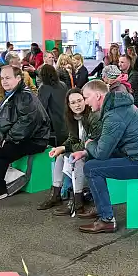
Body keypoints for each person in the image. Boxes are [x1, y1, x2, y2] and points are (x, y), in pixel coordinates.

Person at [77, 80, 138, 233]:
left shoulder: (114, 115)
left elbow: (102, 153)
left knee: (91, 168)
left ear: (97, 95)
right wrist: (87, 150)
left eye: (86, 97)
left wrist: (88, 145)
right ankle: (101, 207)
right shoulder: (118, 108)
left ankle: (106, 219)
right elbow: (106, 143)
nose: (85, 102)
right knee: (92, 160)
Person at [0, 65, 51, 203]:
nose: (4, 81)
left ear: (18, 78)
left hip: (35, 139)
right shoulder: (11, 94)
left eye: (8, 78)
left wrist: (9, 137)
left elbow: (27, 121)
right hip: (22, 136)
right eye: (2, 78)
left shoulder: (24, 96)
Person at [49, 89, 101, 217]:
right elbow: (73, 139)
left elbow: (90, 142)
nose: (77, 105)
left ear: (85, 100)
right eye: (73, 102)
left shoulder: (92, 116)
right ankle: (56, 195)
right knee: (60, 156)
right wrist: (61, 147)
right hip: (84, 148)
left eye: (79, 101)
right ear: (69, 105)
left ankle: (77, 202)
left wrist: (65, 148)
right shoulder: (72, 118)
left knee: (77, 159)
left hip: (95, 149)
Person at [36, 64, 69, 209]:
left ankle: (57, 190)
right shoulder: (62, 85)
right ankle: (65, 189)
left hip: (54, 128)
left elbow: (41, 108)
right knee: (65, 156)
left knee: (58, 158)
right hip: (67, 125)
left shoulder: (44, 88)